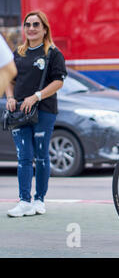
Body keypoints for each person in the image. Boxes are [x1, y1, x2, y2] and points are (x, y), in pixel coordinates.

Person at [5, 11, 67, 218]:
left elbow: (58, 81)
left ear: (44, 29)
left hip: (44, 112)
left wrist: (36, 96)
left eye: (36, 24)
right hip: (19, 114)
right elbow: (9, 80)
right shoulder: (18, 53)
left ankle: (39, 199)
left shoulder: (53, 53)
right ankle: (24, 201)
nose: (31, 28)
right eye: (28, 24)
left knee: (41, 157)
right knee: (24, 157)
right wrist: (10, 98)